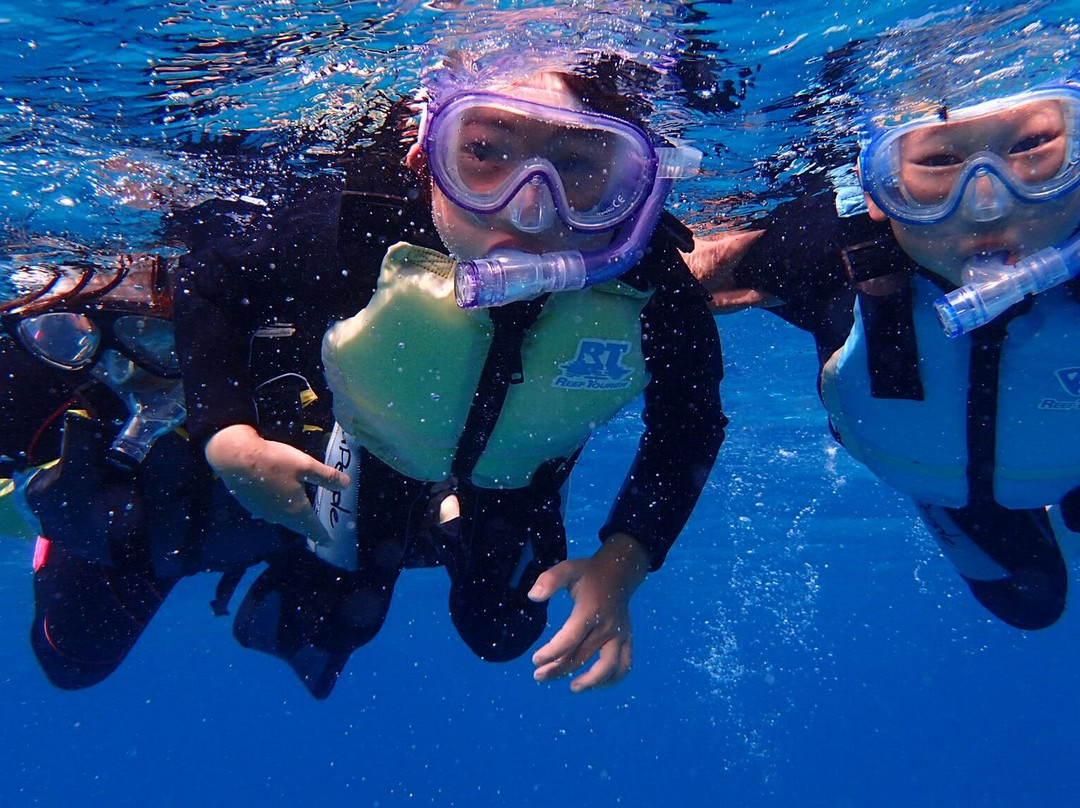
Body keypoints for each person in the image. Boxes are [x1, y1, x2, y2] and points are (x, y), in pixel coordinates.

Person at [175, 55, 727, 698]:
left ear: (626, 182)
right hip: (371, 448)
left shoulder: (651, 285)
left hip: (521, 471)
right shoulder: (357, 228)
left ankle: (447, 517)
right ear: (424, 156)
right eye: (486, 152)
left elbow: (688, 427)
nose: (526, 209)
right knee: (332, 615)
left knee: (504, 631)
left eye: (575, 166)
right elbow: (208, 283)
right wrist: (227, 436)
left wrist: (626, 558)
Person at [689, 76, 1080, 631]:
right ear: (879, 190)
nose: (988, 202)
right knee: (1029, 601)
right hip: (936, 479)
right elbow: (692, 276)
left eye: (1030, 147)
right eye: (940, 160)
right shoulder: (843, 249)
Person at [0, 254, 295, 688]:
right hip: (116, 525)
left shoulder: (270, 347)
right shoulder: (27, 377)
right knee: (74, 655)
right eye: (68, 335)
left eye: (151, 337)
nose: (115, 366)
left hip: (226, 513)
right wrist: (33, 497)